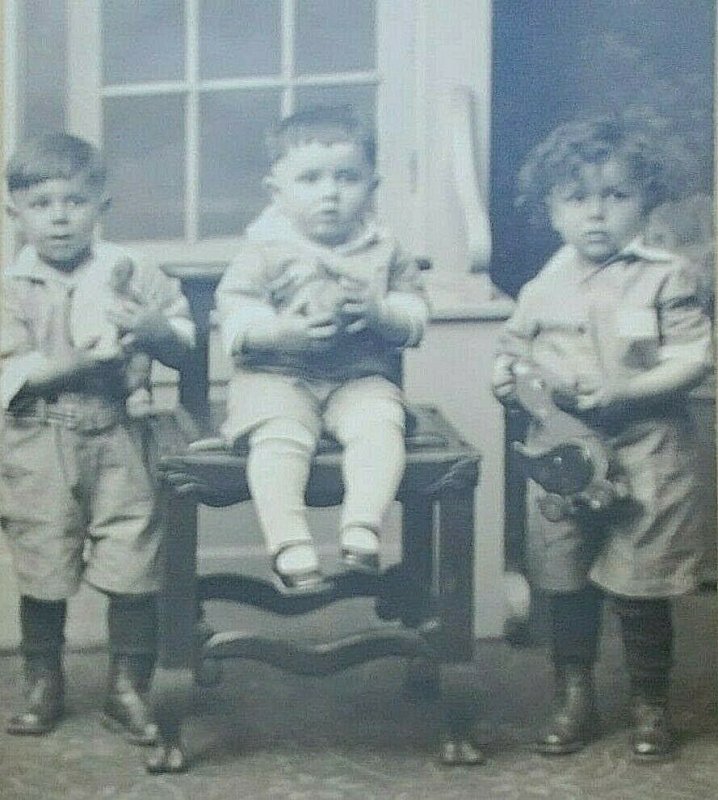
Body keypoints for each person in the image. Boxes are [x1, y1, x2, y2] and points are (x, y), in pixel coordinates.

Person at [492, 113, 712, 761]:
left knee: (642, 586)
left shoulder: (668, 276)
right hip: (562, 455)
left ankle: (650, 702)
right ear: (552, 210)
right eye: (577, 198)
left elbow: (694, 359)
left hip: (648, 451)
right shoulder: (542, 285)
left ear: (645, 201)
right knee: (566, 578)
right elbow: (511, 354)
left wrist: (624, 392)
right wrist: (510, 381)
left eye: (616, 196)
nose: (596, 214)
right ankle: (574, 695)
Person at [0, 133, 195, 743]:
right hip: (39, 439)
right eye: (41, 204)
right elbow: (16, 375)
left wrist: (153, 327)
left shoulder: (134, 272)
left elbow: (184, 342)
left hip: (122, 434)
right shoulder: (10, 286)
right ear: (15, 212)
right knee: (43, 556)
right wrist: (92, 362)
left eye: (74, 202)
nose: (59, 217)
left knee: (133, 556)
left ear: (101, 203)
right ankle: (43, 681)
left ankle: (127, 688)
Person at [216, 106, 429, 594]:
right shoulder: (265, 247)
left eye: (347, 178)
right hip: (277, 377)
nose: (330, 193)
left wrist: (380, 313)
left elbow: (414, 314)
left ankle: (362, 526)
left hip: (358, 377)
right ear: (278, 191)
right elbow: (236, 313)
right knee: (280, 437)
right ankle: (289, 543)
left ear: (371, 188)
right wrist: (278, 333)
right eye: (310, 179)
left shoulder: (384, 247)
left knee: (380, 424)